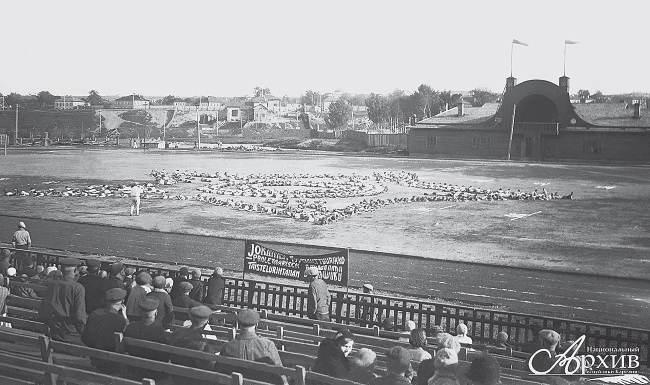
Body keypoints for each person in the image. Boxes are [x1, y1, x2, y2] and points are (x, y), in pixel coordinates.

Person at [218, 309, 285, 384]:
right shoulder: (268, 345)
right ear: (256, 325)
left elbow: (220, 374)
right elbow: (280, 373)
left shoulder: (227, 347)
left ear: (239, 324)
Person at [38, 258, 86, 342]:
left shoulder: (52, 284)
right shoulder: (78, 288)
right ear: (75, 270)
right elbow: (79, 316)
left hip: (53, 330)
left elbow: (42, 310)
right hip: (70, 332)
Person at [82, 288, 129, 373]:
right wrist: (125, 317)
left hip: (94, 357)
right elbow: (128, 336)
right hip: (112, 362)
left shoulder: (94, 314)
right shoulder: (120, 320)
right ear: (122, 302)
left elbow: (84, 338)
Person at [169, 305, 219, 385]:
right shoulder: (202, 342)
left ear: (191, 319)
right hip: (194, 380)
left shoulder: (177, 333)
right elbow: (209, 365)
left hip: (176, 376)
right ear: (206, 321)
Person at [123, 297, 170, 380]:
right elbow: (164, 357)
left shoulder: (131, 327)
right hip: (153, 372)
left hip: (134, 369)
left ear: (141, 312)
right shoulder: (159, 331)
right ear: (156, 313)